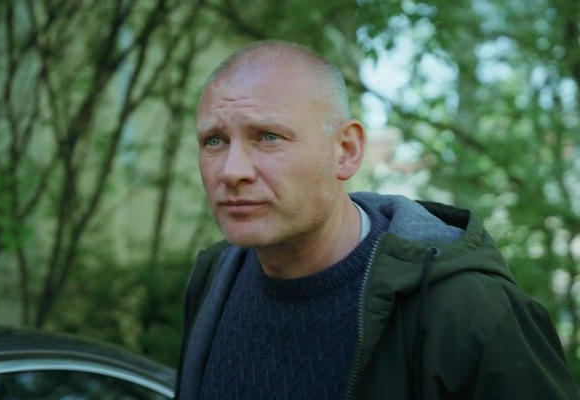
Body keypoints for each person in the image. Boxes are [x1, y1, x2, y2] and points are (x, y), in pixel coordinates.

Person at [175, 40, 579, 400]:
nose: (232, 171)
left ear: (346, 151)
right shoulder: (214, 277)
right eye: (214, 140)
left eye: (268, 137)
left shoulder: (469, 310)